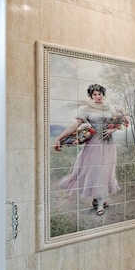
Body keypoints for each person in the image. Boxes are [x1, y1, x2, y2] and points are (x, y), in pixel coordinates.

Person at [54, 83, 121, 216]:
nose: (98, 97)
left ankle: (99, 199)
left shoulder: (110, 108)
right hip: (94, 143)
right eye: (95, 94)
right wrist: (59, 138)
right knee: (96, 170)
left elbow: (119, 123)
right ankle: (100, 203)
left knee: (105, 170)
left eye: (100, 94)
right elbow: (75, 125)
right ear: (91, 96)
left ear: (103, 94)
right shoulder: (86, 109)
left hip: (108, 144)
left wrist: (112, 129)